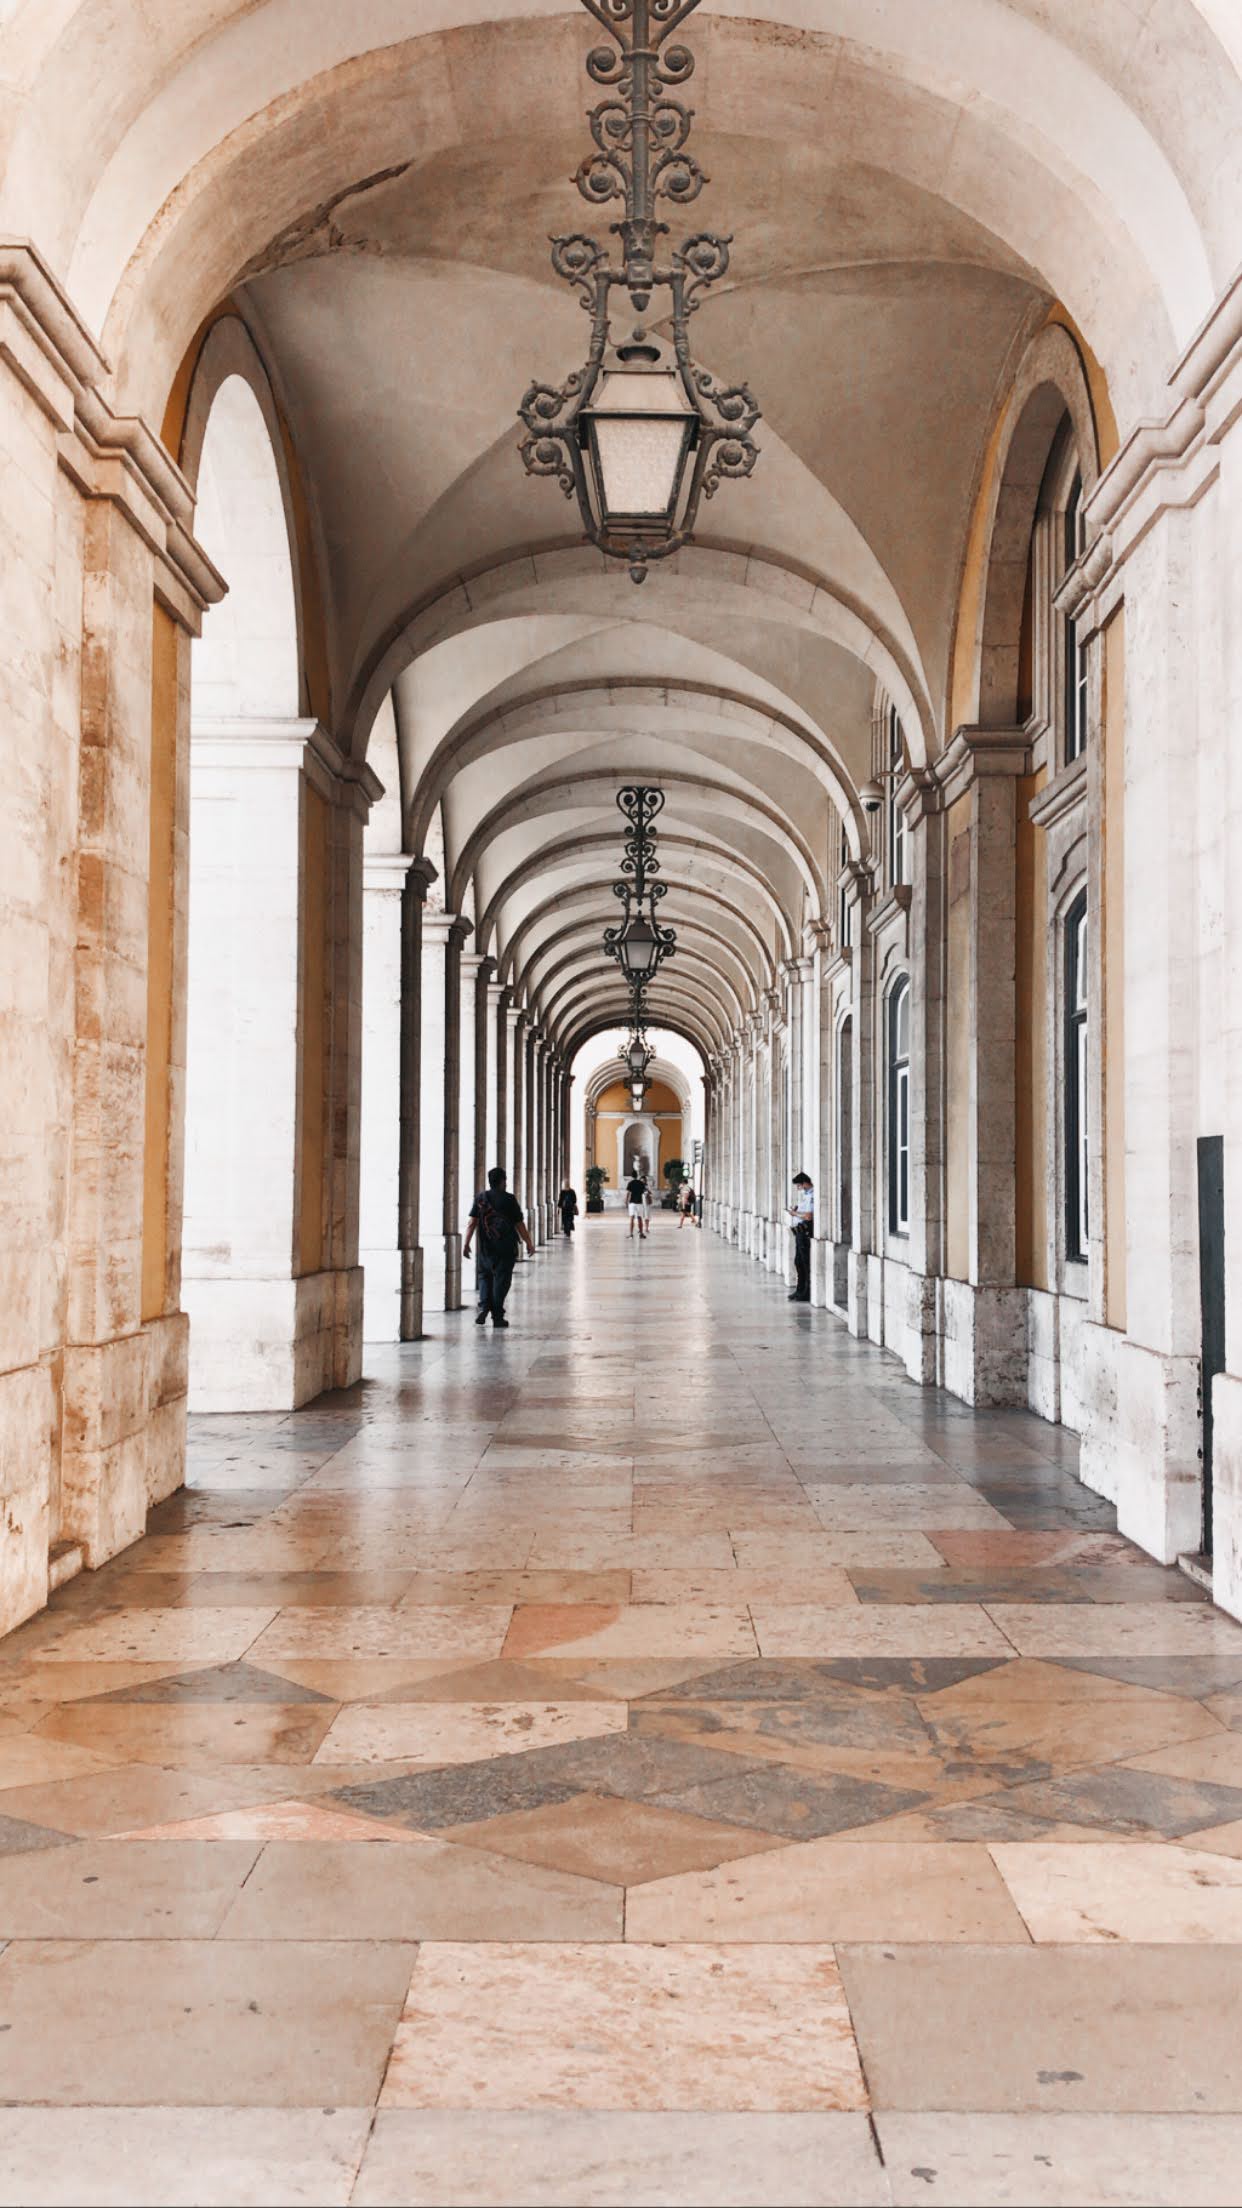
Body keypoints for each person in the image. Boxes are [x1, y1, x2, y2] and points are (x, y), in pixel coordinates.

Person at [463, 1165, 534, 1328]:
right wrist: (528, 1242)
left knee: (484, 1277)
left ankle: (484, 1306)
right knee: (501, 1282)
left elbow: (472, 1222)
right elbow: (519, 1224)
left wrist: (466, 1244)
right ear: (503, 1181)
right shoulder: (509, 1199)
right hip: (505, 1249)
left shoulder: (481, 1198)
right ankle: (497, 1316)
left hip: (485, 1248)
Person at [787, 1170, 814, 1302]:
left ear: (804, 1183)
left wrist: (795, 1214)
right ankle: (799, 1290)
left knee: (805, 1263)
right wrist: (797, 1209)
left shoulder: (812, 1195)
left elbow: (808, 1216)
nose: (798, 1188)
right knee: (798, 1262)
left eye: (798, 1185)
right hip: (799, 1232)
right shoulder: (806, 1195)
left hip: (805, 1232)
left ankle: (806, 1292)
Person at [626, 1167, 648, 1239]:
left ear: (631, 1176)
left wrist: (626, 1201)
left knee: (632, 1218)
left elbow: (628, 1193)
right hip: (639, 1202)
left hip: (632, 1203)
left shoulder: (630, 1183)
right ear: (637, 1175)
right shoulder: (641, 1183)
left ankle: (631, 1234)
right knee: (639, 1218)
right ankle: (641, 1233)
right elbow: (645, 1192)